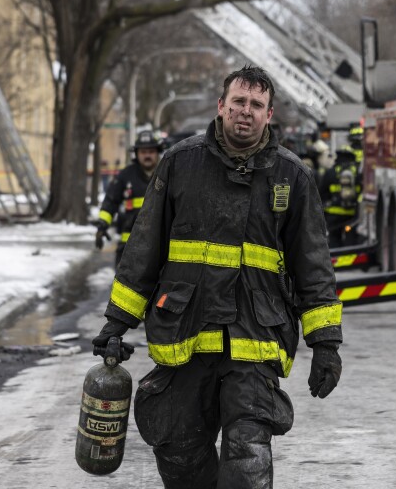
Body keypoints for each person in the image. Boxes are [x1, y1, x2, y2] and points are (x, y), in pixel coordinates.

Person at [92, 65, 342, 488]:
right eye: (239, 102)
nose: (246, 111)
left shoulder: (292, 176)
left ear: (270, 114)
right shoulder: (180, 163)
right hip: (184, 333)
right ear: (222, 105)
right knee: (180, 454)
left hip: (256, 339)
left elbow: (312, 265)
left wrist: (326, 343)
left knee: (247, 456)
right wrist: (117, 322)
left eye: (256, 105)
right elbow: (144, 248)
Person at [94, 130, 163, 266]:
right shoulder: (125, 176)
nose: (147, 155)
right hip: (129, 245)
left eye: (151, 151)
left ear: (157, 152)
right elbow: (110, 201)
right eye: (143, 152)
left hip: (160, 246)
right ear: (136, 154)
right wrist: (102, 224)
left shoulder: (167, 173)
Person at [319, 145, 361, 247]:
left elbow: (321, 194)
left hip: (333, 216)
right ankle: (350, 259)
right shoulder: (358, 173)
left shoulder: (330, 172)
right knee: (351, 239)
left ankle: (337, 260)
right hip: (352, 215)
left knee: (334, 238)